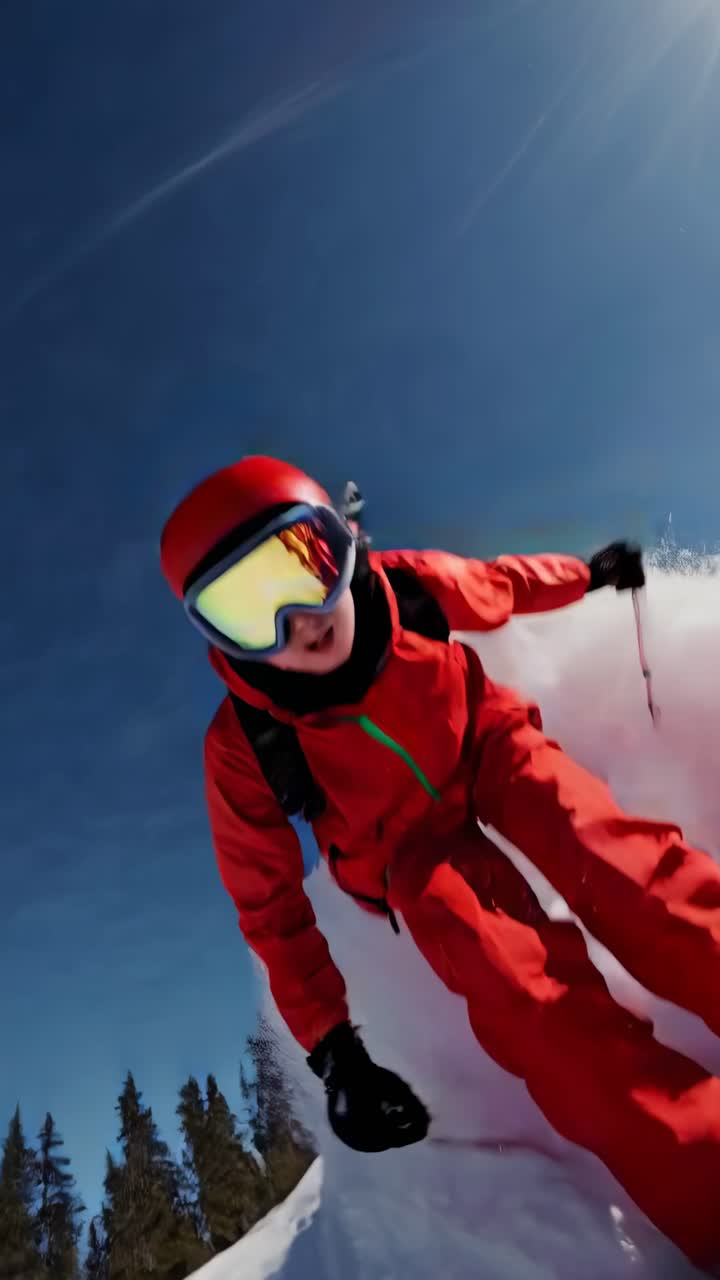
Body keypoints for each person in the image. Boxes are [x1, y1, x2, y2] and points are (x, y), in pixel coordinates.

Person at [160, 455, 720, 1269]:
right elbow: (268, 906)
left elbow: (503, 584)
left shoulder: (403, 591)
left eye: (305, 566)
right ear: (221, 642)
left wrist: (587, 578)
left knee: (616, 857)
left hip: (487, 744)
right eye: (251, 613)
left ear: (342, 548)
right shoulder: (244, 745)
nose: (299, 618)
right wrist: (336, 1053)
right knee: (523, 994)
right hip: (405, 857)